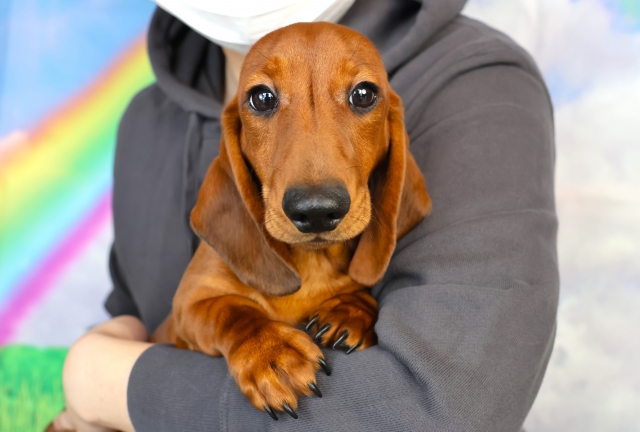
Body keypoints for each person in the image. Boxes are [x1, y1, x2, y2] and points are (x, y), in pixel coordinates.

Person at [52, 0, 559, 431]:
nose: (315, 200)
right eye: (263, 99)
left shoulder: (480, 82)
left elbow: (443, 410)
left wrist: (104, 383)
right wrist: (238, 332)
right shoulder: (143, 120)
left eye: (361, 96)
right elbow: (138, 315)